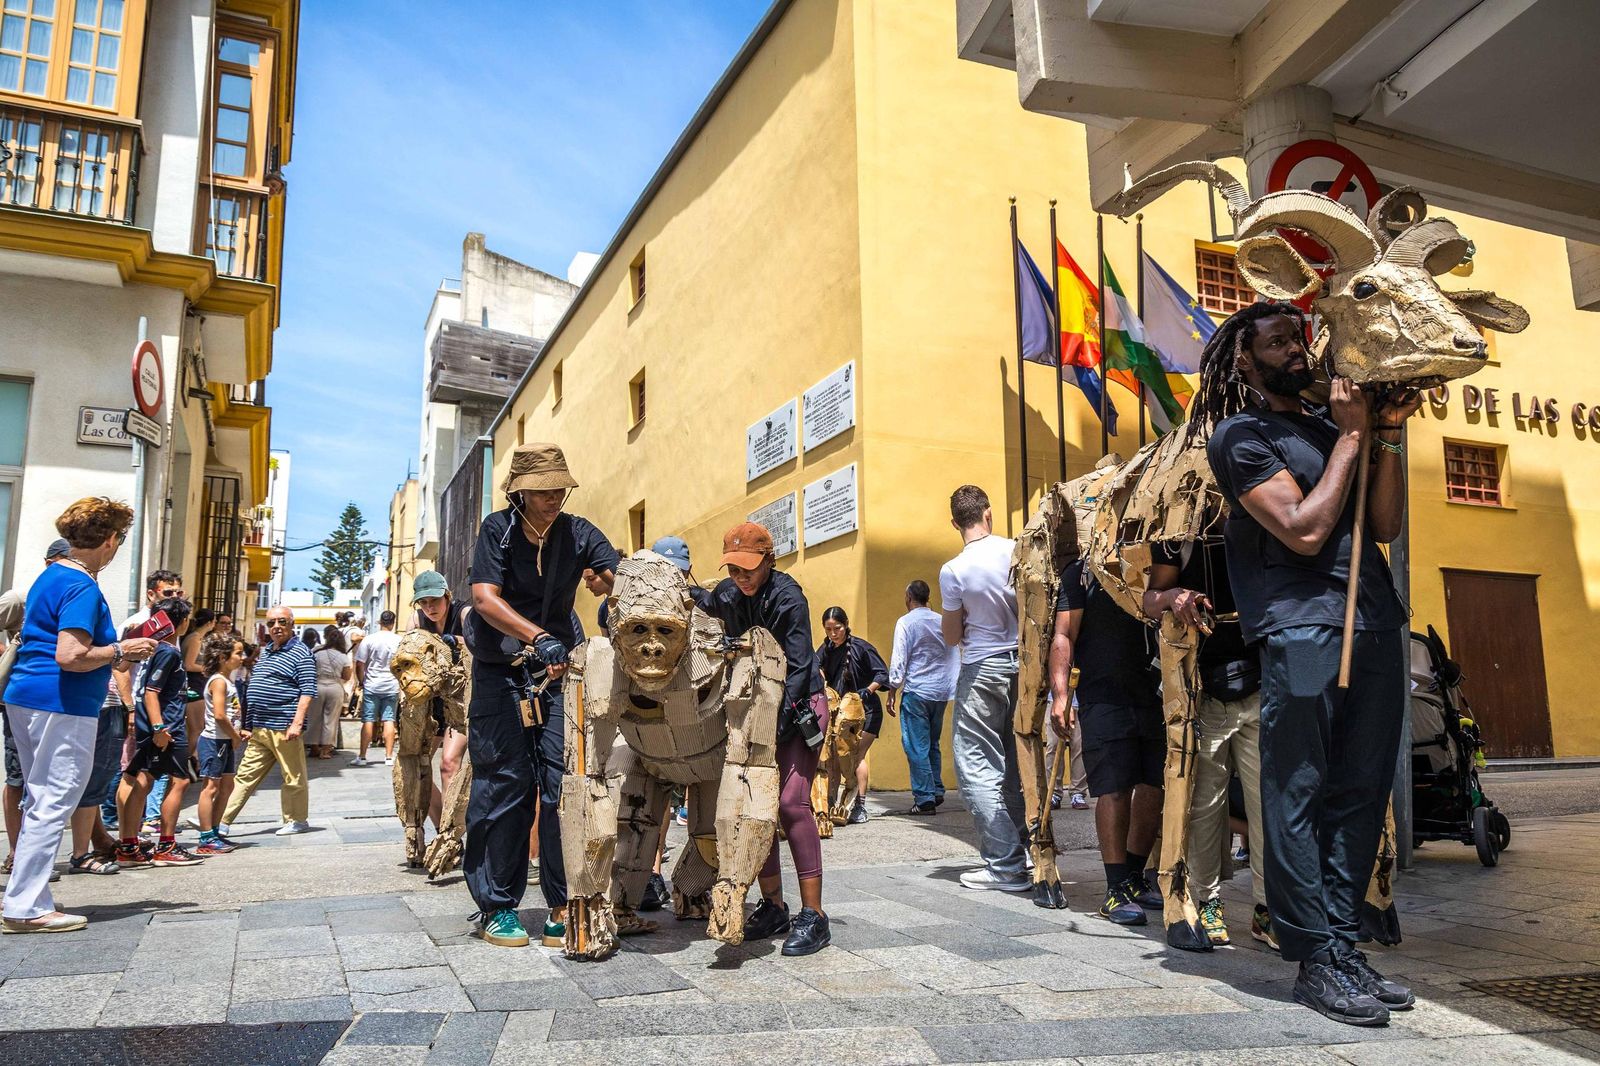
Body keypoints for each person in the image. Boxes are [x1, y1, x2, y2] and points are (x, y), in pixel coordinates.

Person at [1202, 301, 1419, 1026]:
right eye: (1277, 342)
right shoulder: (1242, 436)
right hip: (1301, 627)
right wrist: (1355, 436)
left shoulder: (1334, 426)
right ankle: (1314, 957)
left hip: (1374, 620)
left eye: (1298, 338)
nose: (1297, 350)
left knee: (1361, 789)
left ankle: (1343, 941)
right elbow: (1303, 528)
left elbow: (1383, 524)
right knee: (1298, 789)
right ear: (1245, 360)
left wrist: (1386, 433)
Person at [464, 443, 618, 949]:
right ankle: (497, 906)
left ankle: (561, 902)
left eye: (559, 490)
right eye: (542, 491)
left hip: (557, 674)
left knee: (561, 785)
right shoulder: (497, 530)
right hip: (502, 671)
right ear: (521, 493)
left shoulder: (578, 532)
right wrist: (538, 636)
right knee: (505, 784)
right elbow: (484, 599)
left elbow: (614, 574)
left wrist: (620, 585)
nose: (553, 498)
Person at [3, 498, 157, 932]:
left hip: (27, 696)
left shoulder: (51, 575)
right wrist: (122, 649)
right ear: (109, 540)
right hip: (63, 702)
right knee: (55, 799)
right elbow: (71, 655)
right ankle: (26, 907)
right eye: (119, 538)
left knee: (40, 798)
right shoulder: (82, 585)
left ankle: (26, 898)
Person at [701, 521, 830, 956]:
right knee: (757, 808)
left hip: (798, 707)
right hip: (753, 712)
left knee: (790, 803)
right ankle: (773, 906)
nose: (741, 577)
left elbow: (799, 670)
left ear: (770, 561)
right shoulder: (727, 594)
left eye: (749, 568)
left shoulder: (789, 598)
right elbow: (701, 603)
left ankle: (814, 916)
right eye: (734, 569)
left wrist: (768, 731)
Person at [1145, 529, 1272, 949]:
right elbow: (1150, 599)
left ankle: (1267, 907)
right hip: (1204, 689)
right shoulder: (1177, 531)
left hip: (1261, 683)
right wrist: (1173, 596)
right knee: (1204, 806)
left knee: (1266, 804)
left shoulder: (1263, 517)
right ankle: (1207, 899)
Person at [1050, 557, 1164, 924]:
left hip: (1156, 693)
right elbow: (1064, 634)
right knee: (1113, 788)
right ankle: (1115, 889)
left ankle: (1134, 876)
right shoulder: (1083, 572)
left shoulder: (1155, 563)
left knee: (1154, 786)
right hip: (1103, 694)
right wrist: (1060, 695)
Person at [939, 485, 1028, 893]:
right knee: (1012, 764)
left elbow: (951, 635)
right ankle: (1022, 851)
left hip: (982, 666)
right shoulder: (1015, 550)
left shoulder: (954, 569)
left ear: (955, 523)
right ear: (988, 513)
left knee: (975, 763)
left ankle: (1005, 864)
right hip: (1021, 665)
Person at [116, 597, 203, 867]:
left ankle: (128, 846)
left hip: (156, 725)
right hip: (166, 727)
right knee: (180, 781)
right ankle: (166, 845)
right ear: (183, 622)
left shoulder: (153, 650)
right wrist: (159, 728)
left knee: (143, 781)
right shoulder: (168, 652)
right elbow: (151, 692)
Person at [220, 605, 317, 836]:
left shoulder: (302, 653)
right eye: (271, 622)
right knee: (245, 775)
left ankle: (297, 820)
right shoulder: (268, 651)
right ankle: (221, 820)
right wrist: (247, 724)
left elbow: (308, 690)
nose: (276, 627)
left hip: (284, 725)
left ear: (292, 624)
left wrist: (296, 723)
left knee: (292, 776)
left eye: (282, 622)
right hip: (260, 726)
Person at [888, 580, 958, 815]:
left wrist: (893, 689)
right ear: (928, 597)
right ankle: (935, 789)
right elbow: (953, 652)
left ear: (908, 597)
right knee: (932, 743)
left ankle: (925, 798)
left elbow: (899, 658)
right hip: (940, 692)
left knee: (915, 746)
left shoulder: (906, 622)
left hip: (917, 691)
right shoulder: (941, 620)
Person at [817, 605, 889, 825]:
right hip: (839, 714)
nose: (833, 633)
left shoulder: (861, 648)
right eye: (828, 629)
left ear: (846, 625)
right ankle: (831, 804)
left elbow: (882, 674)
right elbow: (815, 666)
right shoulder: (826, 648)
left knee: (856, 755)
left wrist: (868, 691)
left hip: (867, 712)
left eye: (837, 628)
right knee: (834, 759)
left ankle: (860, 805)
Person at [413, 569, 470, 834]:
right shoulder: (417, 620)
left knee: (448, 764)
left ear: (447, 595)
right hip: (431, 703)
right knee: (416, 769)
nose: (429, 608)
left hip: (460, 701)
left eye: (434, 600)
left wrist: (457, 641)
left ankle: (450, 836)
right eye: (423, 602)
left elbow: (484, 643)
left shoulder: (464, 614)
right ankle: (441, 829)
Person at [195, 632, 247, 854]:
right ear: (223, 657)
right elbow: (219, 715)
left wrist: (237, 732)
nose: (242, 657)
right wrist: (234, 736)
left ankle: (215, 831)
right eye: (238, 653)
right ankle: (206, 836)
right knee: (211, 787)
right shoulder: (218, 682)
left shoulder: (226, 681)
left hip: (225, 740)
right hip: (215, 741)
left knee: (226, 786)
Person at [351, 611, 401, 767]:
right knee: (389, 719)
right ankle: (388, 757)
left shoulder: (369, 639)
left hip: (372, 684)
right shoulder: (399, 640)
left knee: (368, 720)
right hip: (391, 685)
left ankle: (362, 756)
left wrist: (361, 681)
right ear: (393, 622)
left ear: (380, 622)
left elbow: (360, 663)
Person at [310, 626, 352, 759]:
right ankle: (326, 750)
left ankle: (314, 748)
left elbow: (309, 670)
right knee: (331, 720)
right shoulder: (343, 657)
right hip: (335, 687)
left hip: (317, 686)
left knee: (314, 718)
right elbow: (346, 676)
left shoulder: (317, 653)